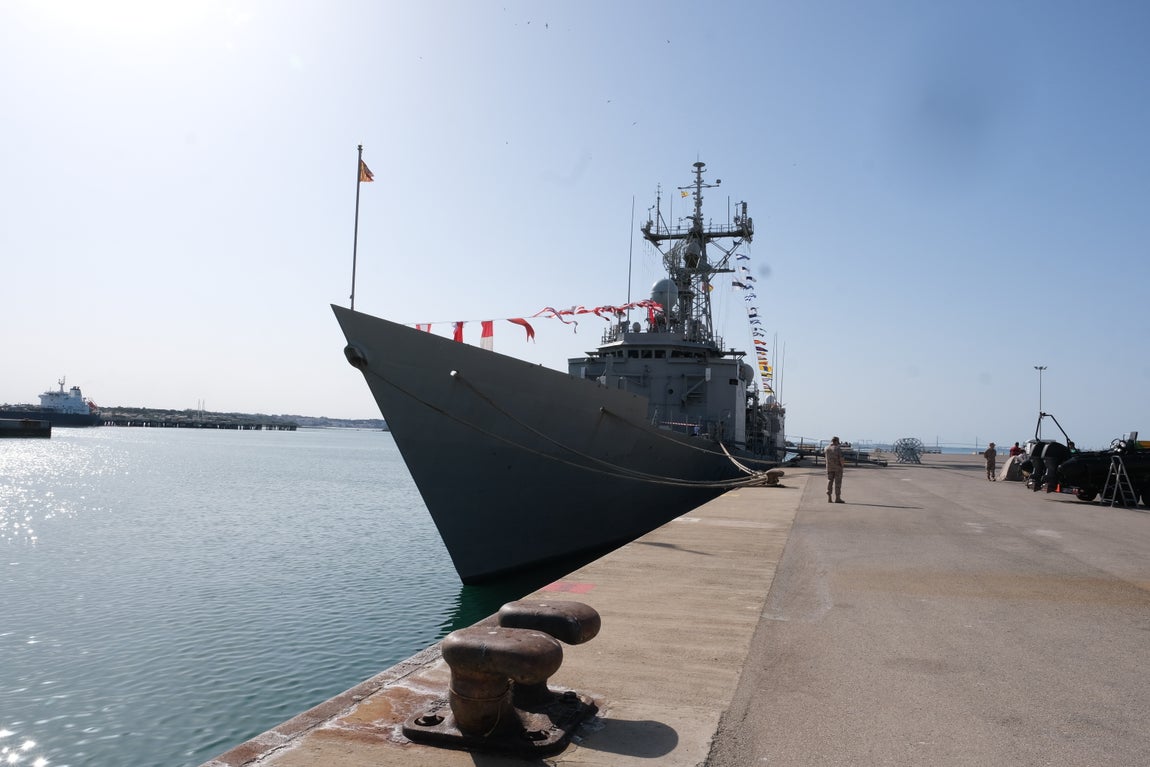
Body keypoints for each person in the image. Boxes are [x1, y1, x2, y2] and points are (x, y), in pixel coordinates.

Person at [825, 436, 845, 503]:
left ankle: (829, 497)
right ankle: (837, 498)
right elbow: (841, 459)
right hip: (838, 468)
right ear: (836, 441)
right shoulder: (838, 449)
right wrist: (842, 466)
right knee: (837, 483)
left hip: (829, 468)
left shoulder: (826, 448)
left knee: (829, 481)